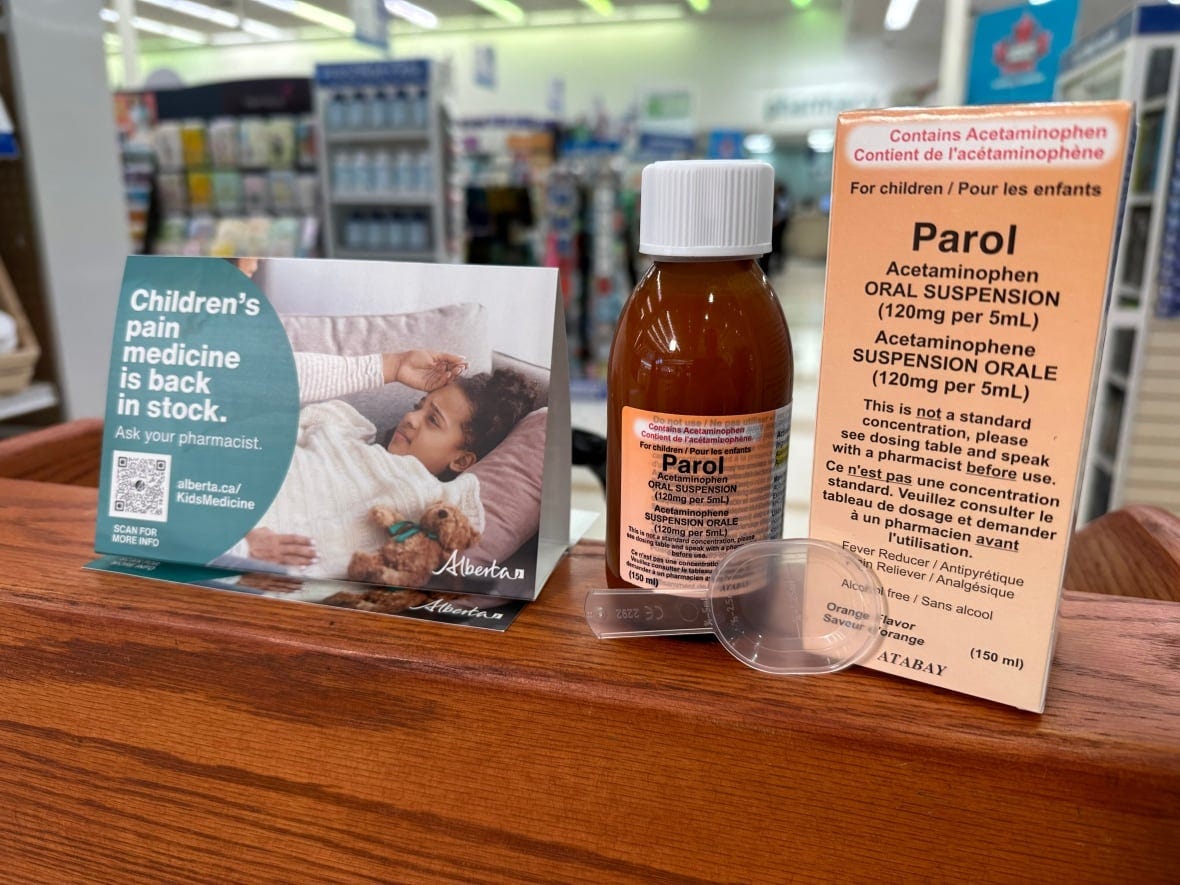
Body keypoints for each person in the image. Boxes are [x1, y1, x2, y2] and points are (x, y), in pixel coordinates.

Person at [221, 351, 537, 580]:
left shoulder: (426, 497)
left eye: (432, 421)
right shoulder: (343, 433)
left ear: (462, 460)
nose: (411, 418)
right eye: (418, 406)